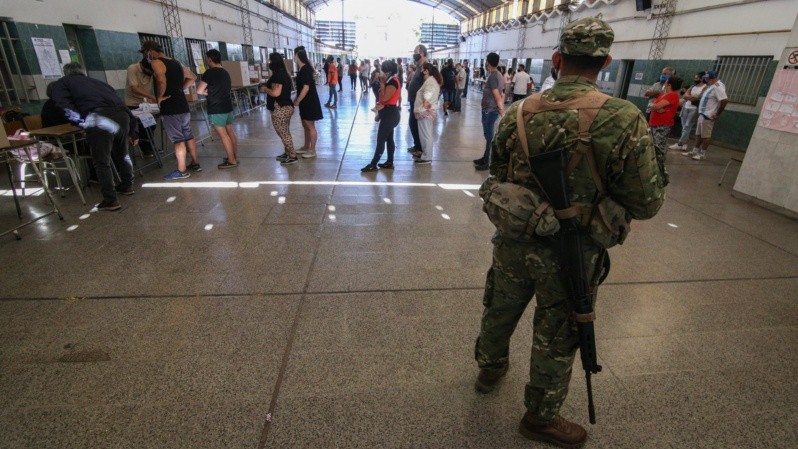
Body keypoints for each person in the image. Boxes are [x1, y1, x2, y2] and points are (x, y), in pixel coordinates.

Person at [474, 17, 664, 447]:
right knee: (558, 334)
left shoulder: (518, 113)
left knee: (499, 306)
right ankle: (539, 418)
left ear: (557, 60)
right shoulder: (624, 118)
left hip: (515, 241)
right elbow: (648, 203)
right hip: (574, 253)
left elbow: (498, 178)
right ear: (607, 63)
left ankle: (489, 367)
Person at [51, 62, 139, 211]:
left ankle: (110, 200)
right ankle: (127, 186)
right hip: (122, 115)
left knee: (101, 160)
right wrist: (133, 129)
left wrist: (81, 122)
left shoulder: (63, 83)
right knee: (123, 154)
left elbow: (62, 104)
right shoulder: (98, 82)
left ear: (65, 73)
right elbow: (120, 102)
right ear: (83, 72)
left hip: (99, 117)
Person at [144, 40, 200, 180]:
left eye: (146, 53)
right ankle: (195, 163)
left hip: (170, 107)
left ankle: (181, 170)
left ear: (151, 51)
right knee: (188, 134)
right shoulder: (176, 62)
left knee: (177, 139)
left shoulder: (156, 62)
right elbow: (193, 77)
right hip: (182, 105)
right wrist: (180, 88)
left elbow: (161, 80)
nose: (147, 56)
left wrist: (160, 96)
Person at [196, 49, 238, 169]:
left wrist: (206, 92)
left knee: (223, 135)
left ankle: (231, 160)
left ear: (209, 59)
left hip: (216, 108)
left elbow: (199, 90)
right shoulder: (225, 72)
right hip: (227, 106)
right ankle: (235, 156)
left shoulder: (209, 73)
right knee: (230, 132)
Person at [361, 60, 402, 172]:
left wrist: (383, 83)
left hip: (391, 115)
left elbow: (384, 98)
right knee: (389, 139)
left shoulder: (393, 82)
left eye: (382, 70)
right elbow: (382, 101)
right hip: (387, 114)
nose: (380, 72)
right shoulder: (389, 80)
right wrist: (379, 114)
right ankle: (389, 162)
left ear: (388, 72)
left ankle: (373, 164)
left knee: (381, 140)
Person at [261, 52, 298, 165]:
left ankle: (292, 155)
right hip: (286, 107)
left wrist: (265, 89)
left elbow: (276, 93)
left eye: (270, 61)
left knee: (283, 132)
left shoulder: (278, 75)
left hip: (280, 108)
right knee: (284, 131)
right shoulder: (283, 73)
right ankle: (288, 152)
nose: (269, 63)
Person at [683, 70, 728, 161]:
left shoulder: (718, 87)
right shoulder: (711, 86)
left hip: (708, 115)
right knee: (699, 134)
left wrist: (717, 114)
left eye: (708, 79)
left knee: (706, 136)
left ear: (713, 78)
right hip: (703, 113)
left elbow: (724, 100)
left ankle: (702, 153)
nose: (706, 80)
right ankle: (695, 151)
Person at [649, 75, 683, 186]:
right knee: (656, 143)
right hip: (655, 123)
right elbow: (655, 106)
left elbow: (655, 106)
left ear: (669, 84)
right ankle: (657, 163)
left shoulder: (673, 95)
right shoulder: (665, 95)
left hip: (662, 124)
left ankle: (658, 165)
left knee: (659, 144)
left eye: (666, 81)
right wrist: (656, 107)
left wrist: (655, 106)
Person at [473, 52, 505, 171]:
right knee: (488, 137)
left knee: (490, 138)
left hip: (490, 111)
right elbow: (502, 94)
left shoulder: (493, 76)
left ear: (488, 63)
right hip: (490, 110)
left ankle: (488, 163)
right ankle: (485, 158)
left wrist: (502, 112)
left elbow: (498, 96)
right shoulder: (498, 75)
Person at [293, 46, 323, 159]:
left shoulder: (305, 69)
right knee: (305, 125)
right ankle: (306, 146)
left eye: (294, 55)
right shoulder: (302, 69)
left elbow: (305, 88)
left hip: (309, 102)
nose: (293, 57)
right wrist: (297, 99)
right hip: (304, 103)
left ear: (297, 55)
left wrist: (297, 101)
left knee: (310, 126)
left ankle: (312, 150)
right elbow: (301, 88)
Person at [124, 57, 157, 157]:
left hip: (144, 103)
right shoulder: (132, 69)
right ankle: (145, 149)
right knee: (141, 126)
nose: (150, 73)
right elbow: (134, 88)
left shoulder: (151, 71)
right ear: (142, 65)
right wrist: (151, 97)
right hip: (132, 103)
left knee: (151, 125)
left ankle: (150, 146)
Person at [412, 62, 442, 165]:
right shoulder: (431, 81)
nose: (421, 71)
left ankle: (427, 157)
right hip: (426, 112)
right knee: (426, 134)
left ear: (426, 71)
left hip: (426, 112)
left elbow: (428, 95)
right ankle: (426, 155)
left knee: (425, 135)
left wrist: (424, 105)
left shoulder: (430, 82)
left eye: (422, 69)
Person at [670, 71, 707, 151]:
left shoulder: (705, 87)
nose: (695, 79)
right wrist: (691, 97)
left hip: (694, 109)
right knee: (684, 127)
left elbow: (698, 97)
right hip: (686, 107)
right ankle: (684, 144)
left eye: (697, 78)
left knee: (687, 126)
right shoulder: (693, 86)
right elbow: (685, 95)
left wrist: (690, 97)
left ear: (701, 79)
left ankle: (680, 143)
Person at [406, 44, 428, 155]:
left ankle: (420, 148)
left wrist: (424, 102)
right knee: (413, 124)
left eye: (417, 52)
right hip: (413, 100)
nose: (415, 54)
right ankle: (417, 146)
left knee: (416, 125)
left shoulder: (425, 67)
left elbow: (428, 85)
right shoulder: (419, 66)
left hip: (418, 102)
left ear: (423, 53)